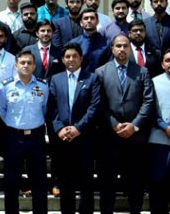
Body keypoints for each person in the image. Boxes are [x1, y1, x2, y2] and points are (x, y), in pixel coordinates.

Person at [95, 34, 154, 214]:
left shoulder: (142, 71)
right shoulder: (100, 72)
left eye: (125, 46)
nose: (122, 49)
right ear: (112, 49)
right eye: (118, 46)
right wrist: (114, 123)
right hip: (109, 136)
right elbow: (99, 103)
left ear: (130, 48)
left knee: (136, 181)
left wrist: (133, 125)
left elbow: (148, 101)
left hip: (135, 137)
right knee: (108, 181)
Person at [47, 42, 100, 214]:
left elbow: (94, 107)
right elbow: (51, 108)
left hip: (84, 138)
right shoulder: (55, 79)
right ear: (63, 59)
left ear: (81, 58)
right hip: (62, 139)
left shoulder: (92, 78)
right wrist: (59, 128)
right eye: (67, 56)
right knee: (65, 182)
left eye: (75, 56)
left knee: (86, 183)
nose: (71, 59)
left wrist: (78, 128)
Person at [0, 51, 49, 214]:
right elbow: (1, 109)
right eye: (22, 63)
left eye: (29, 63)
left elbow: (45, 109)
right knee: (11, 181)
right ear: (16, 65)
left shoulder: (43, 86)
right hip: (13, 137)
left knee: (39, 180)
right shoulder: (6, 86)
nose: (25, 66)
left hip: (36, 137)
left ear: (34, 66)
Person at [149, 49, 170, 214]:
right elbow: (150, 111)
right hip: (159, 140)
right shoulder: (154, 82)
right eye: (168, 60)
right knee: (158, 183)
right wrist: (165, 127)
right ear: (162, 64)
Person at [70, 8, 111, 74]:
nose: (89, 20)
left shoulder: (107, 43)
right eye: (86, 18)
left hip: (100, 78)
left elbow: (109, 65)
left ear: (97, 22)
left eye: (92, 18)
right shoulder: (74, 43)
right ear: (81, 23)